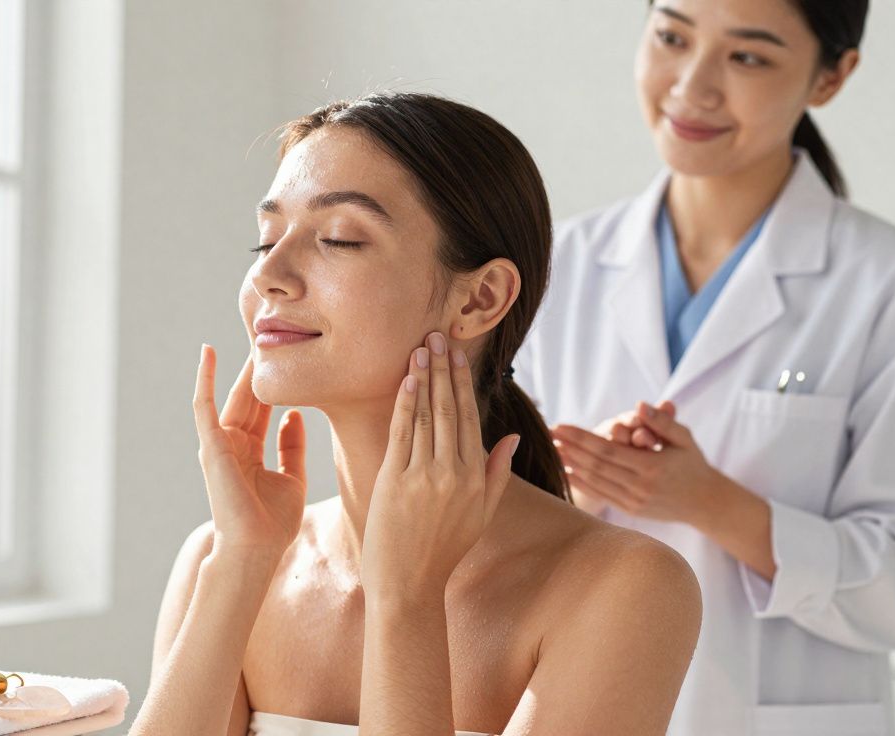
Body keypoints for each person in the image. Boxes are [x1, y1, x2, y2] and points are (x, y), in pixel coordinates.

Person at [129, 92, 701, 736]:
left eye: (339, 239)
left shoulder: (625, 588)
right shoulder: (224, 555)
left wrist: (407, 597)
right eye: (265, 242)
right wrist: (240, 563)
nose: (270, 276)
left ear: (480, 299)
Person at [512, 1, 895, 734]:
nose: (693, 85)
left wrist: (712, 502)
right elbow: (474, 538)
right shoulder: (555, 268)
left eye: (747, 56)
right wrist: (578, 491)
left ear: (831, 77)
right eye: (672, 37)